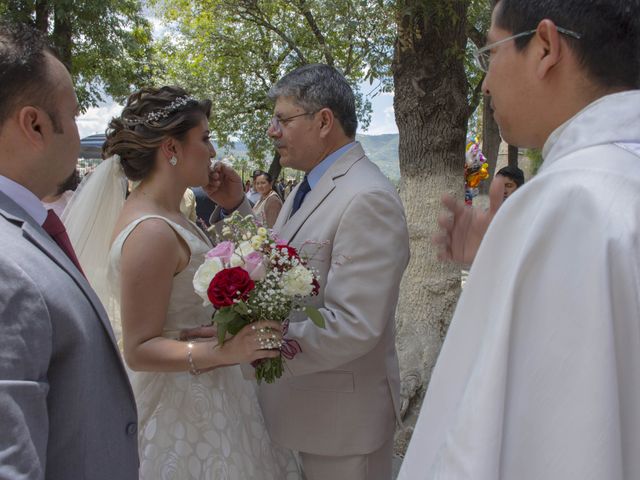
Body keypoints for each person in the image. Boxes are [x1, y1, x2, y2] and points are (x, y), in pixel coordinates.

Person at [400, 1, 640, 479]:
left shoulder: (571, 200)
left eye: (490, 52)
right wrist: (502, 258)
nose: (485, 82)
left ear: (546, 47)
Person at [62, 86, 300, 479]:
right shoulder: (152, 231)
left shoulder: (170, 216)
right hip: (180, 411)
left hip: (212, 392)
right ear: (171, 148)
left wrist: (232, 204)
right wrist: (225, 351)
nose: (212, 150)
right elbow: (138, 349)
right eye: (204, 138)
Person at [0, 21, 138, 478]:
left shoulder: (26, 229)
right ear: (35, 124)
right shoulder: (7, 269)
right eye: (75, 115)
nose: (80, 136)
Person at [260, 64, 410, 480]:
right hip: (301, 416)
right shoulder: (306, 188)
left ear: (323, 121)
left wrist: (259, 345)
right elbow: (281, 266)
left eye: (282, 120)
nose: (273, 131)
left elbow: (355, 324)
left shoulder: (367, 197)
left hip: (340, 431)